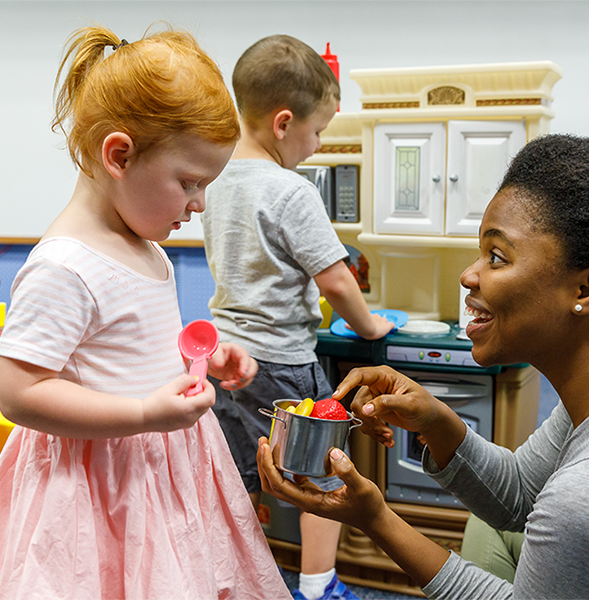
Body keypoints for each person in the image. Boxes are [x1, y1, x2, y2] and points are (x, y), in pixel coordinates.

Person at [257, 134, 589, 598]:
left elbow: (564, 511)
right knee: (487, 531)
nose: (470, 276)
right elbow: (519, 495)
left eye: (497, 256)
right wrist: (436, 420)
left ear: (588, 288)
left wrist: (374, 518)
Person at [0, 25, 290, 599]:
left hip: (165, 471)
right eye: (189, 181)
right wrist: (139, 413)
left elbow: (127, 343)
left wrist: (197, 359)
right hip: (98, 492)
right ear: (120, 155)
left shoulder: (147, 247)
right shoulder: (64, 266)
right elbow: (16, 393)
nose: (199, 203)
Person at [202, 34, 394, 600]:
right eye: (318, 132)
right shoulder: (292, 190)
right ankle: (317, 585)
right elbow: (335, 277)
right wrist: (370, 326)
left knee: (237, 476)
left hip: (224, 360)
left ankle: (232, 578)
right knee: (324, 475)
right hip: (283, 363)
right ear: (283, 123)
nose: (317, 146)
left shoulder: (212, 182)